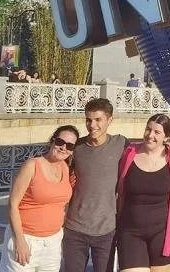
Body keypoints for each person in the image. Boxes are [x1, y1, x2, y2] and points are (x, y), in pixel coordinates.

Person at [0, 125, 79, 272]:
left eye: (69, 145)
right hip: (27, 239)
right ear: (53, 141)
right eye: (60, 142)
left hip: (53, 242)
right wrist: (20, 241)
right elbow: (13, 204)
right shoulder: (32, 165)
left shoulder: (65, 167)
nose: (63, 148)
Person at [116, 114, 170, 272]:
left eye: (157, 132)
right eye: (148, 129)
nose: (150, 135)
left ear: (166, 137)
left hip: (163, 234)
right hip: (130, 231)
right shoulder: (129, 153)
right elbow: (119, 189)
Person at [63, 98, 128, 272]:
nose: (92, 125)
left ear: (110, 120)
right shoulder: (75, 147)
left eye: (98, 120)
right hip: (74, 228)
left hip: (106, 230)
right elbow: (57, 172)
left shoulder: (121, 144)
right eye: (88, 120)